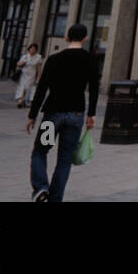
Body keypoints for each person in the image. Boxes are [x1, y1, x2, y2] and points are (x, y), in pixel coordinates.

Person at [26, 24, 100, 202]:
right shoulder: (90, 59)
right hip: (75, 115)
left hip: (53, 114)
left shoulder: (53, 59)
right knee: (65, 159)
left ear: (67, 38)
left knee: (41, 151)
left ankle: (41, 187)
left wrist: (32, 114)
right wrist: (91, 114)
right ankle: (55, 198)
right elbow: (95, 89)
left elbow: (42, 89)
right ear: (85, 39)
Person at [15, 43, 44, 108]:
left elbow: (39, 69)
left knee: (29, 89)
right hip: (24, 75)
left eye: (34, 49)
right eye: (31, 48)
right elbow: (18, 64)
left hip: (32, 76)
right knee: (22, 87)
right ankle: (20, 101)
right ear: (29, 49)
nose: (32, 50)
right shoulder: (25, 56)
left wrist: (38, 78)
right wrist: (23, 62)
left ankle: (27, 101)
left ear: (36, 50)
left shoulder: (38, 57)